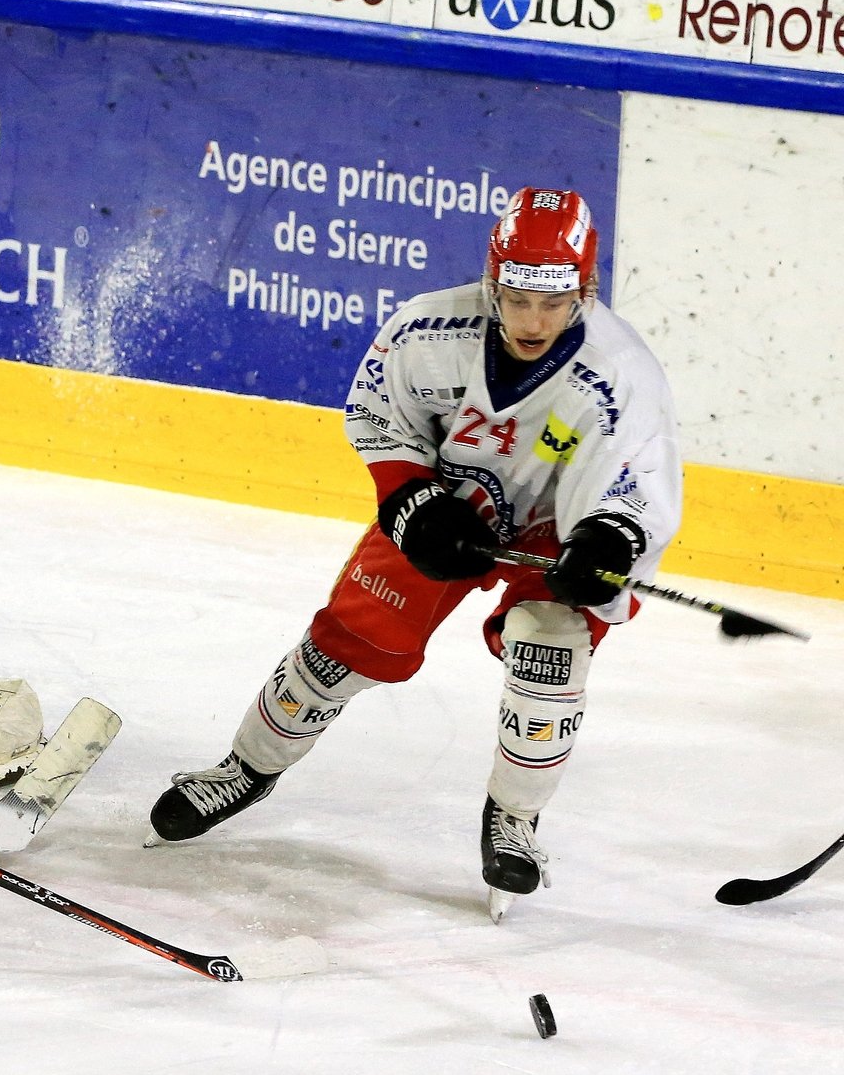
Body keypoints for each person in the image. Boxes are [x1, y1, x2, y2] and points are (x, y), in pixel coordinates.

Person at [145, 187, 681, 919]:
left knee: (549, 654)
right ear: (494, 280)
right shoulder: (427, 328)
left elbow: (637, 485)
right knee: (344, 647)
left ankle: (514, 823)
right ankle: (243, 769)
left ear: (585, 291)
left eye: (552, 304)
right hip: (451, 507)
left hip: (557, 530)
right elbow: (377, 415)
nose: (532, 321)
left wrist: (606, 539)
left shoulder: (624, 376)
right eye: (517, 298)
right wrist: (410, 500)